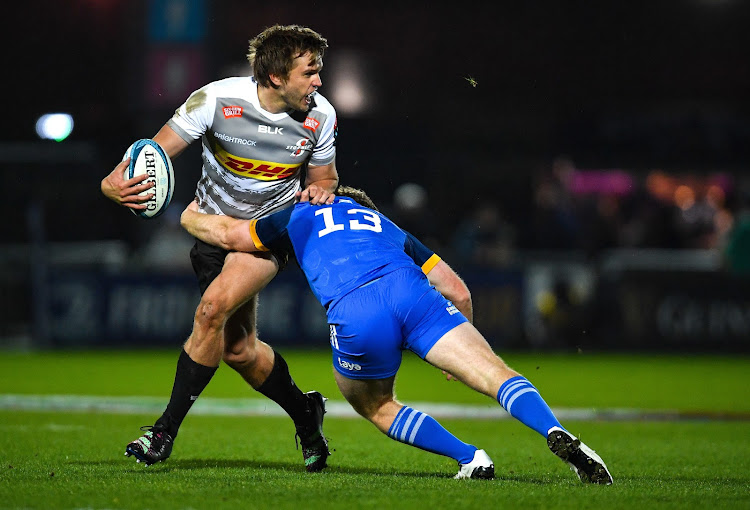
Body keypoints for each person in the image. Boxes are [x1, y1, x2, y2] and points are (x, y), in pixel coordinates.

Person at [179, 186, 613, 483]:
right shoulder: (384, 224)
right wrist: (461, 340)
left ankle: (469, 457)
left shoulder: (297, 214)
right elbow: (456, 288)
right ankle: (559, 434)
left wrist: (190, 217)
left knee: (377, 405)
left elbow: (230, 234)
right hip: (413, 293)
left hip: (356, 307)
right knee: (496, 374)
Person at [100, 25, 338, 471]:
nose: (319, 83)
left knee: (212, 309)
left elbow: (325, 178)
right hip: (213, 231)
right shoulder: (216, 100)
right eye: (310, 72)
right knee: (240, 352)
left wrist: (322, 190)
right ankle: (306, 414)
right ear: (275, 77)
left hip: (266, 236)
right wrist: (114, 183)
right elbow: (153, 152)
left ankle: (162, 432)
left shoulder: (320, 115)